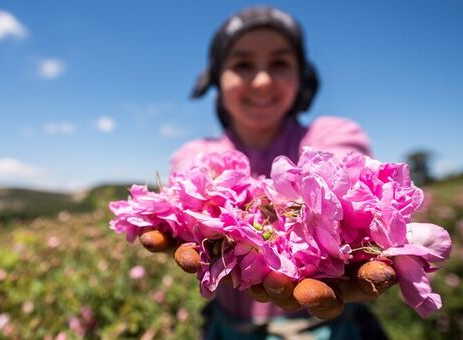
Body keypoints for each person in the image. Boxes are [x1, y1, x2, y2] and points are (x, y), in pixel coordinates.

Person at [166, 6, 392, 340]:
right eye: (242, 64)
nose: (262, 80)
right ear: (217, 78)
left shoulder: (333, 135)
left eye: (280, 63)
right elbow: (188, 191)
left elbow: (347, 175)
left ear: (302, 76)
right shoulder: (196, 154)